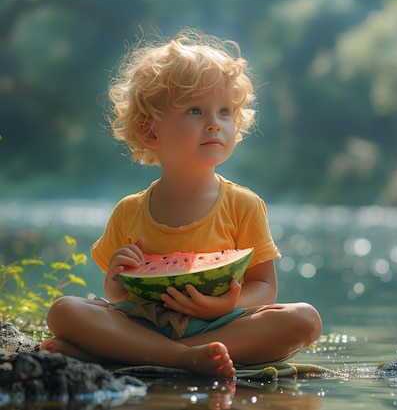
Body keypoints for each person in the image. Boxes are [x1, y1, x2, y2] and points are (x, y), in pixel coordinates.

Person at [41, 28, 322, 378]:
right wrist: (117, 273)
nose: (214, 125)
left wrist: (227, 304)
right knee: (64, 311)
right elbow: (116, 295)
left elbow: (265, 287)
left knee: (304, 319)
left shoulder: (243, 204)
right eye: (194, 110)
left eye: (224, 112)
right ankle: (178, 357)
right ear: (150, 131)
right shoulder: (129, 210)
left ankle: (134, 356)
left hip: (220, 327)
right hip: (144, 323)